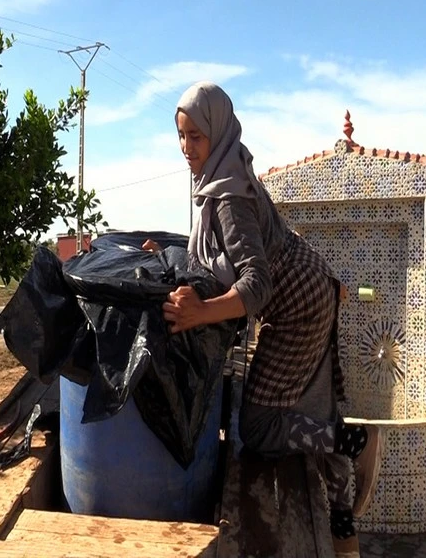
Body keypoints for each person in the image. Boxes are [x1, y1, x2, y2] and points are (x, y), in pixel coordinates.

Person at [143, 81, 383, 558]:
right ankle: (344, 536)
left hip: (295, 306)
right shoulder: (224, 174)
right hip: (311, 288)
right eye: (181, 136)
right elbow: (220, 254)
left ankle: (353, 438)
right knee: (307, 407)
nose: (187, 148)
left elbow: (257, 284)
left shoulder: (228, 196)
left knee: (257, 427)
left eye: (196, 137)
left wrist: (200, 313)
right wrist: (170, 255)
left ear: (218, 132)